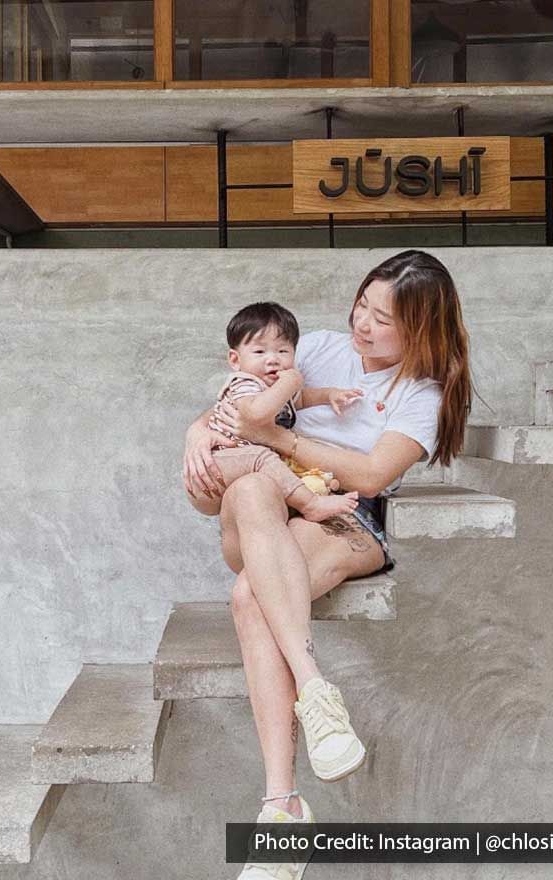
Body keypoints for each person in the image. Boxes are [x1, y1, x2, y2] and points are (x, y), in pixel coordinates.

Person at [182, 250, 472, 880]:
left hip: (348, 516)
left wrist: (280, 440)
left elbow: (370, 475)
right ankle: (316, 688)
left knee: (246, 599)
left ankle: (281, 810)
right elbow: (235, 405)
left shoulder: (421, 393)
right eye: (362, 305)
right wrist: (195, 430)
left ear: (420, 330)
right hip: (264, 508)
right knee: (255, 484)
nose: (362, 325)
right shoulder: (312, 347)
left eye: (383, 319)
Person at [204, 300, 366, 524]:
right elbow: (256, 414)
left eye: (283, 351)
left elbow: (300, 400)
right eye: (259, 351)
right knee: (264, 458)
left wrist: (329, 394)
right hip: (223, 459)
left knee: (286, 464)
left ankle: (319, 487)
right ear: (235, 359)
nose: (273, 359)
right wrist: (289, 383)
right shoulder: (244, 383)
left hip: (252, 463)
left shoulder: (277, 388)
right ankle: (311, 505)